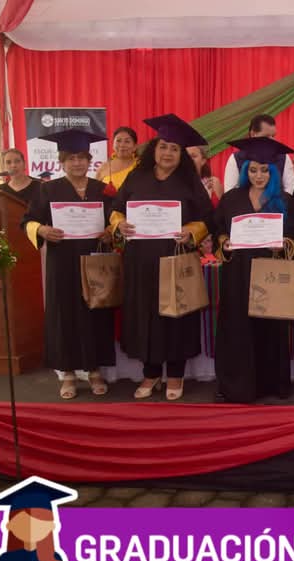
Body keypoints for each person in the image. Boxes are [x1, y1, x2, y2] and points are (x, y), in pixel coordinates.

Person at [110, 114, 212, 401]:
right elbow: (116, 208)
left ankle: (176, 374)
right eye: (163, 146)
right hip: (140, 260)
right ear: (154, 149)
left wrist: (191, 231)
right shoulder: (136, 176)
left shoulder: (189, 181)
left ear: (181, 154)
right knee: (144, 315)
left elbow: (208, 218)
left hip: (175, 258)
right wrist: (119, 224)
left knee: (176, 316)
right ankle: (151, 373)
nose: (168, 153)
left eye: (174, 149)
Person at [21, 129, 114, 399]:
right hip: (62, 261)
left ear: (89, 160)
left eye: (82, 157)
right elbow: (27, 221)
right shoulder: (48, 189)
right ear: (61, 161)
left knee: (95, 312)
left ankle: (94, 370)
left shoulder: (102, 189)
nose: (77, 163)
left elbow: (116, 218)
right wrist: (42, 230)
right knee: (64, 315)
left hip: (95, 259)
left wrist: (111, 231)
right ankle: (68, 373)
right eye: (71, 158)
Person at [213, 136, 294, 403]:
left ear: (273, 171)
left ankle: (270, 384)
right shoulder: (231, 198)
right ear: (245, 171)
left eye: (264, 170)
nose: (258, 175)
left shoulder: (284, 200)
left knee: (270, 329)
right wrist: (223, 243)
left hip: (270, 273)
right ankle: (237, 386)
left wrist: (284, 244)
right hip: (237, 274)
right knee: (237, 329)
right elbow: (218, 230)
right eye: (253, 170)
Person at [0, 478, 76, 561]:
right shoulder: (5, 560)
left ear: (51, 526)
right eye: (22, 524)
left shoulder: (55, 560)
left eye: (39, 524)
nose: (31, 528)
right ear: (9, 526)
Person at [222, 114, 294, 194]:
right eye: (267, 136)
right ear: (253, 134)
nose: (272, 140)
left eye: (273, 136)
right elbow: (230, 191)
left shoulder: (283, 157)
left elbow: (290, 188)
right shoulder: (236, 158)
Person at [94, 126, 139, 194]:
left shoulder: (140, 166)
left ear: (135, 146)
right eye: (118, 141)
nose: (122, 145)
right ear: (113, 144)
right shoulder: (104, 167)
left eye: (127, 141)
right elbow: (95, 193)